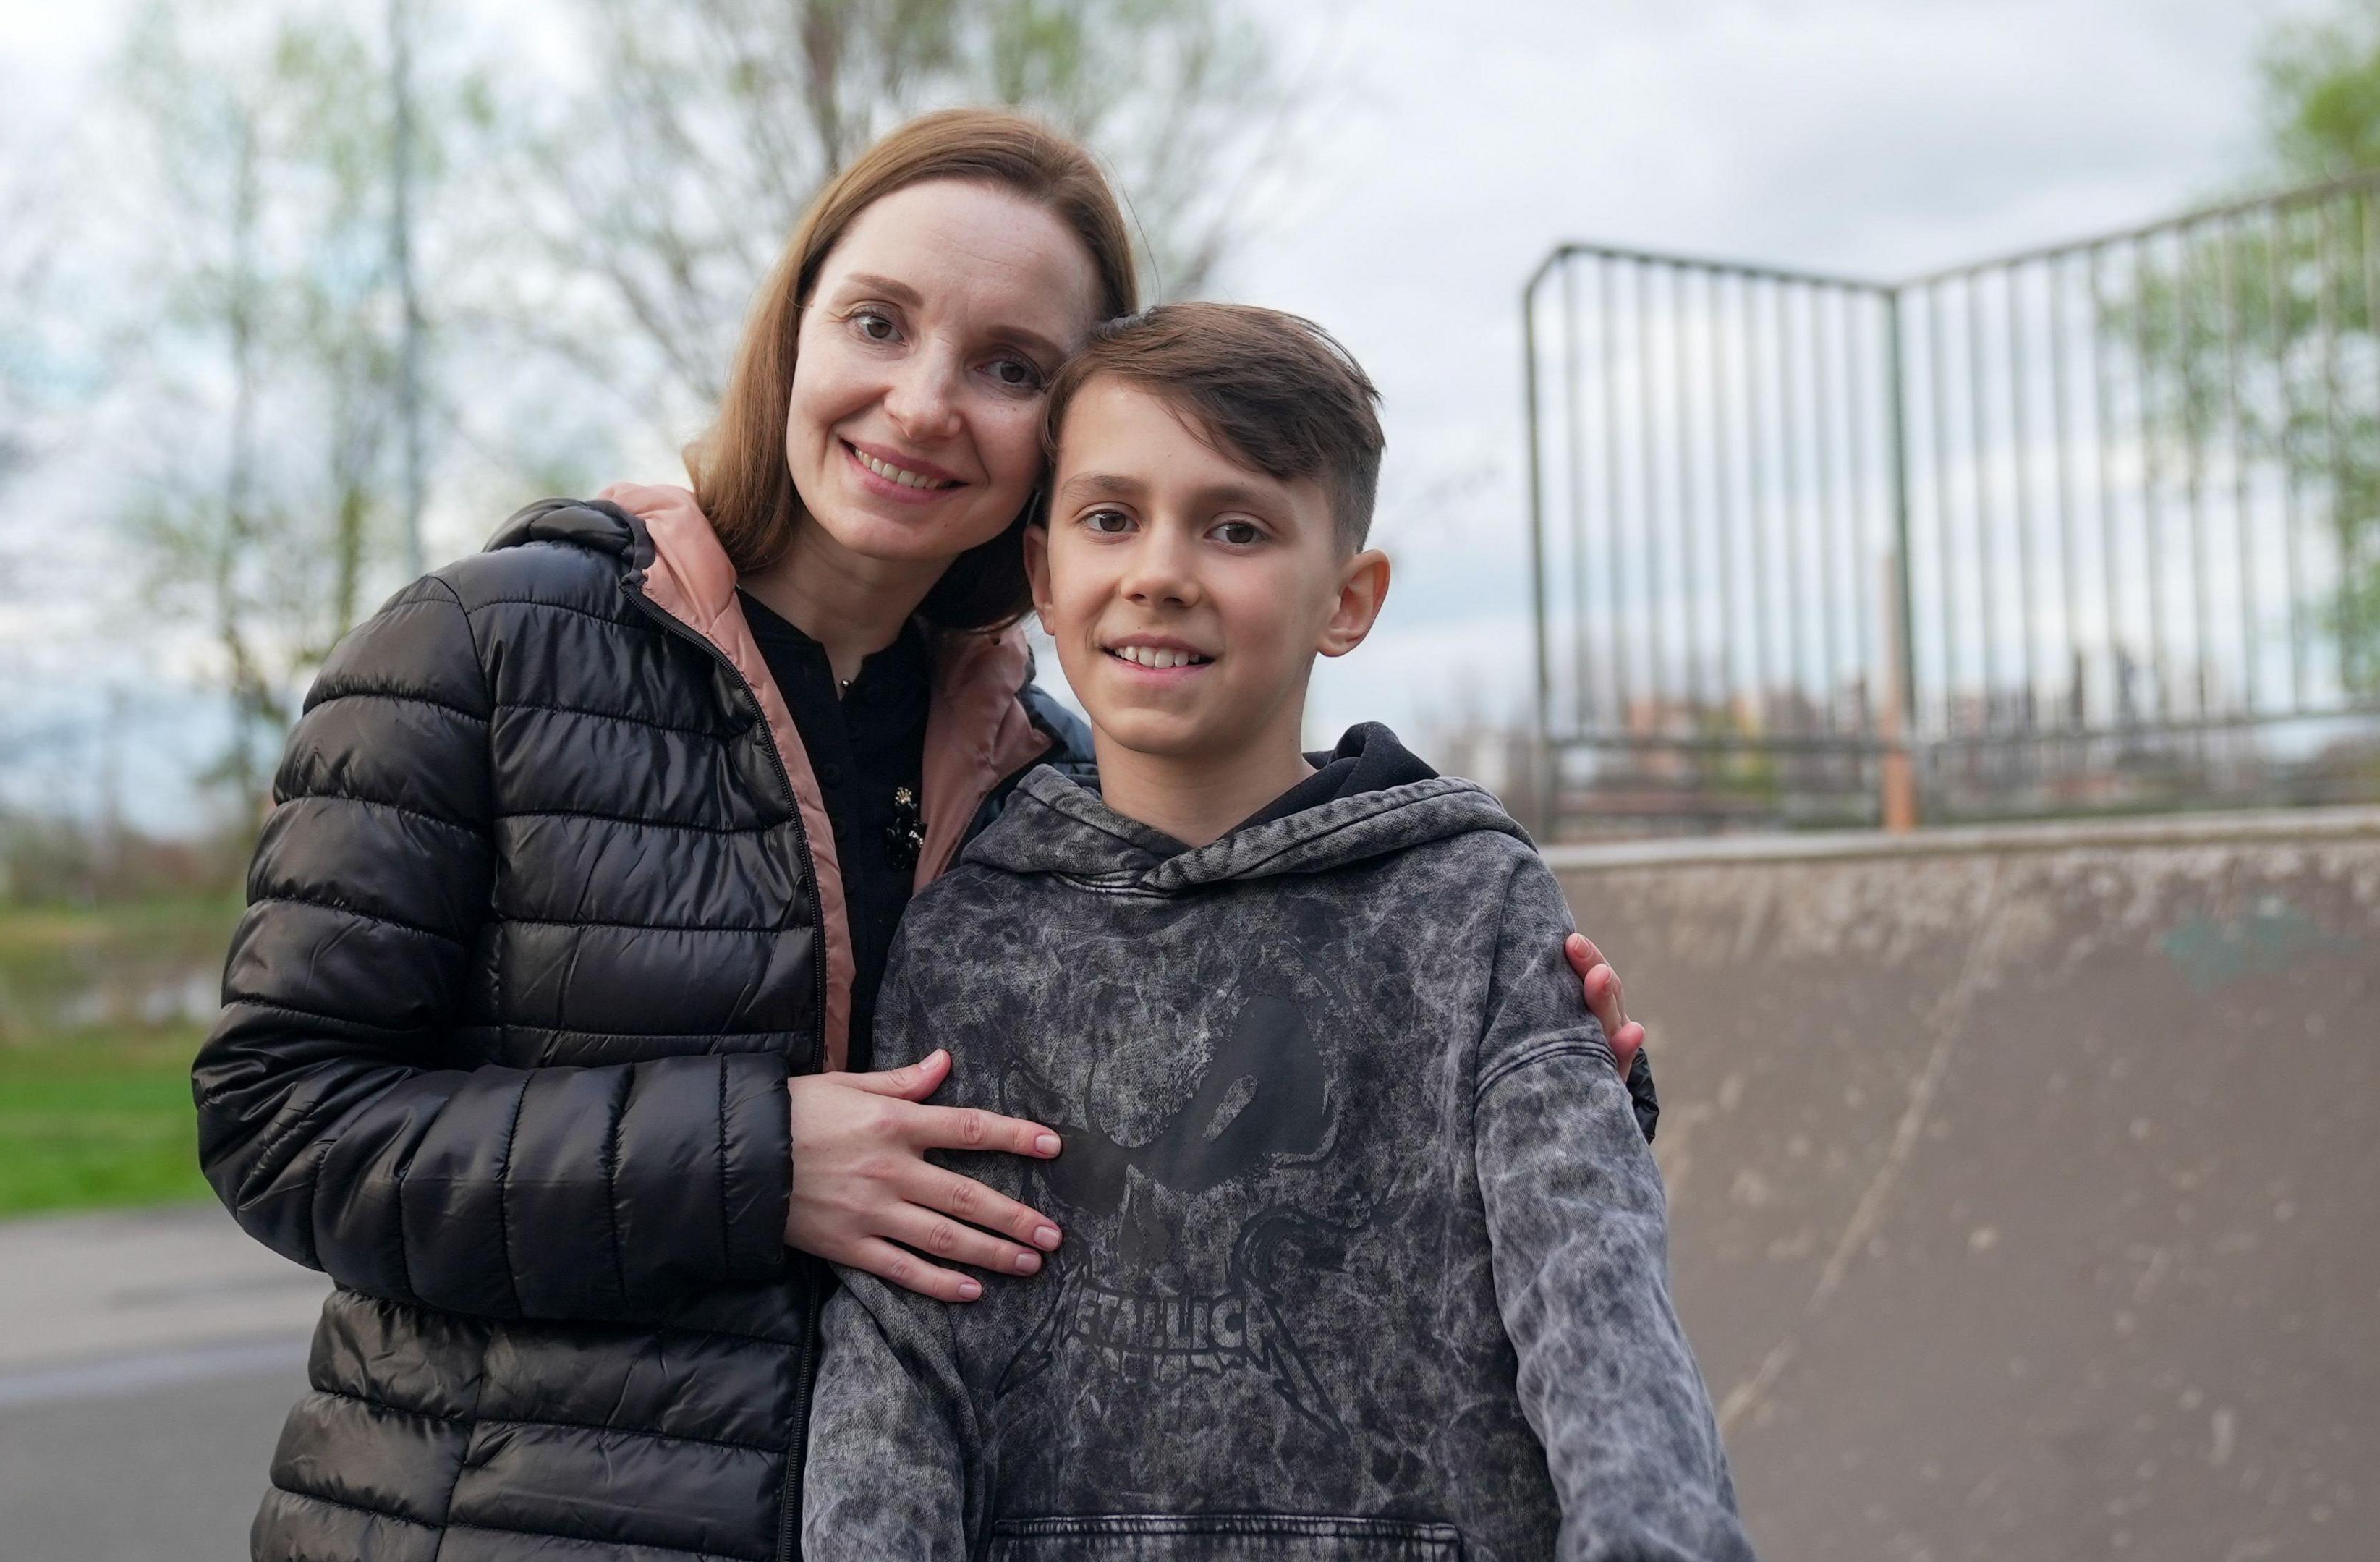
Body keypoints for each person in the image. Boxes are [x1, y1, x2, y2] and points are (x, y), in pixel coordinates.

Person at [193, 111, 1647, 1562]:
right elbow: (278, 1120)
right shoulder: (488, 644)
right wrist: (758, 1161)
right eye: (878, 323)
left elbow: (1209, 1160)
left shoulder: (1040, 773)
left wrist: (1533, 1093)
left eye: (1011, 367)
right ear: (795, 329)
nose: (923, 402)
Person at [802, 303, 1747, 1561]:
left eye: (1236, 527)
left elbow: (1602, 1317)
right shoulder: (968, 931)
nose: (1160, 571)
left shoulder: (1467, 906)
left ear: (1346, 600)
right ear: (1043, 575)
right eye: (1109, 517)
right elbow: (896, 1368)